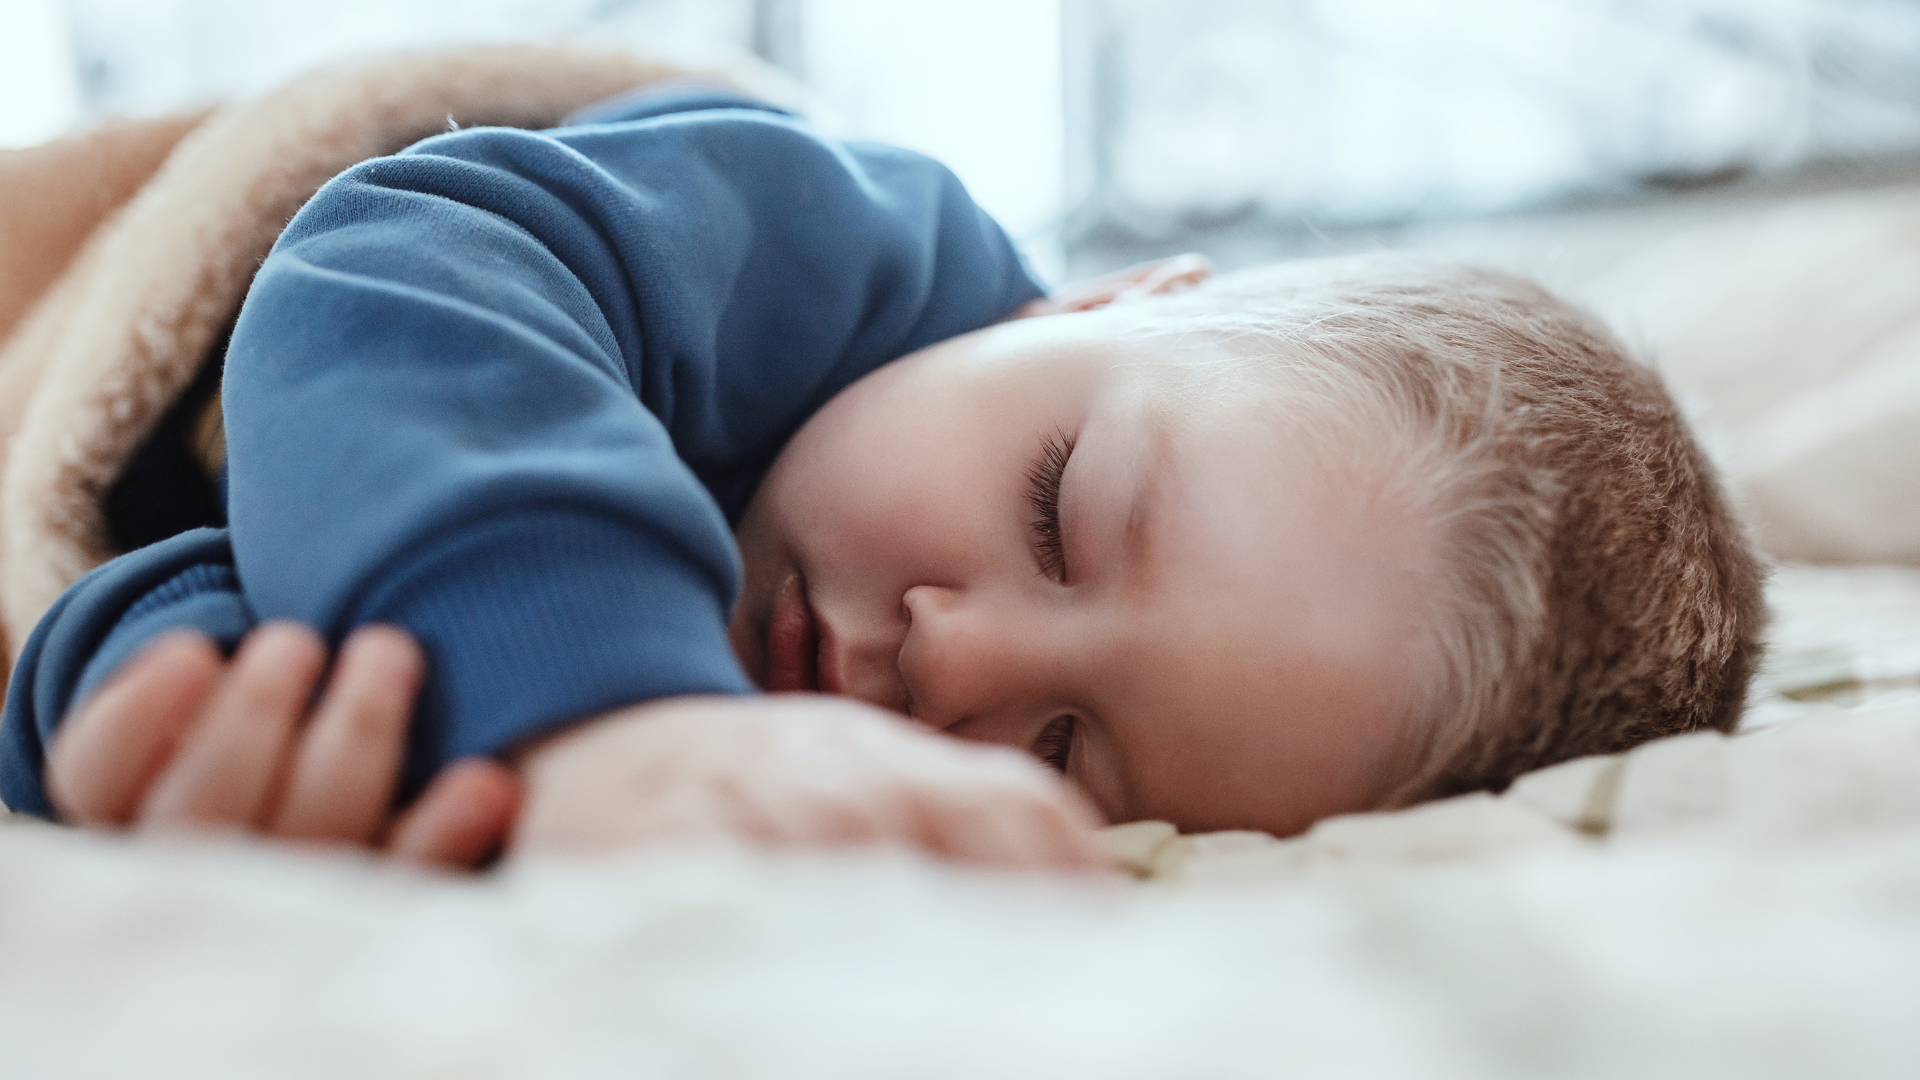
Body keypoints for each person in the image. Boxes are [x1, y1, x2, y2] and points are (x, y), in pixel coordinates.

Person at [0, 87, 1766, 870]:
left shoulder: (794, 801)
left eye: (1077, 756)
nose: (956, 665)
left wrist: (200, 723)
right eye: (1054, 508)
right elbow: (409, 267)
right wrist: (609, 716)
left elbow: (204, 567)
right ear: (1108, 300)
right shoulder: (850, 240)